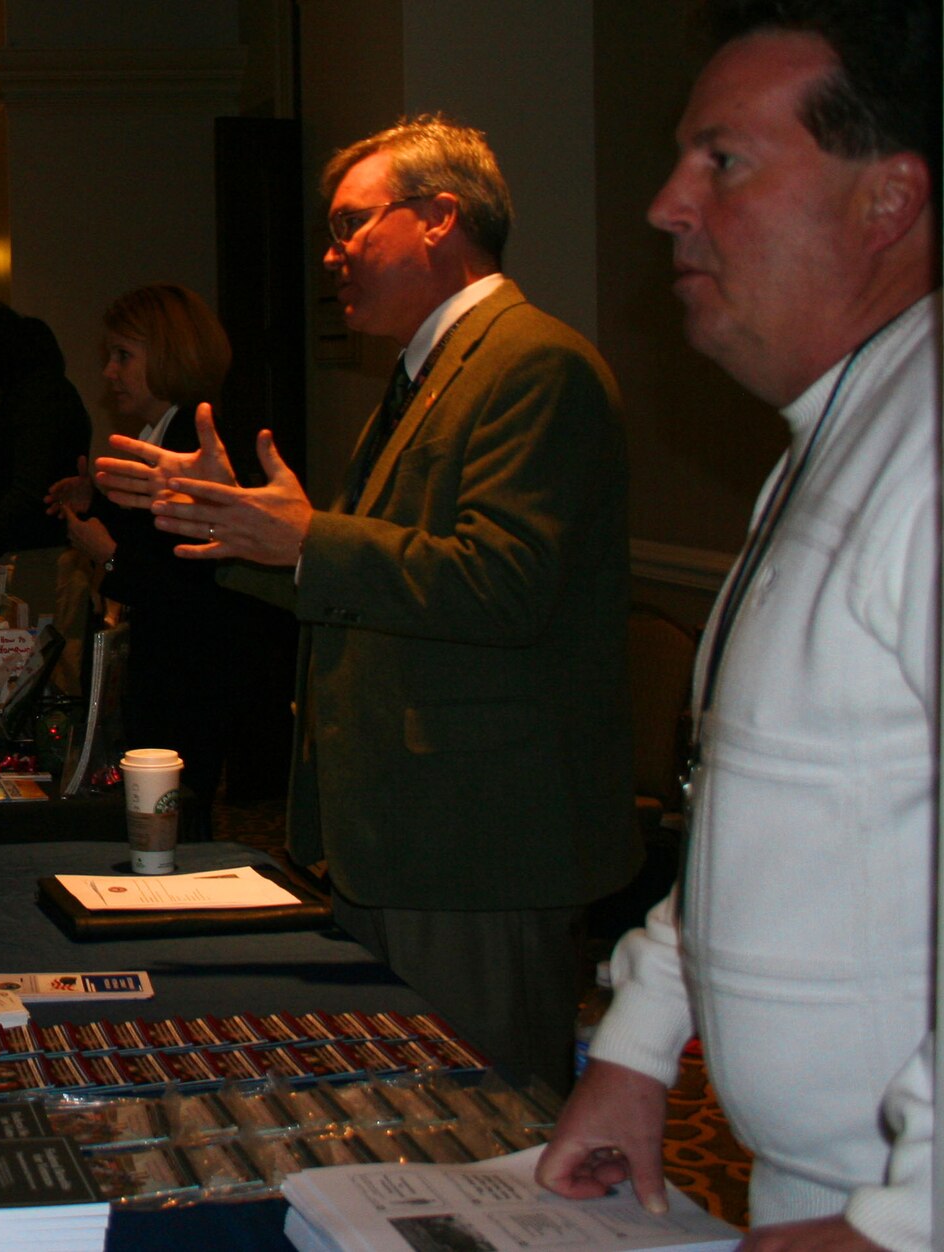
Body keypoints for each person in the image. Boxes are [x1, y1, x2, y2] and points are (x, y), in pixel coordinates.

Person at [97, 115, 637, 1091]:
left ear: (438, 218)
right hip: (405, 834)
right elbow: (368, 574)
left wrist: (306, 538)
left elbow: (503, 584)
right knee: (418, 1130)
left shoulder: (530, 364)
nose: (330, 254)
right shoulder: (429, 374)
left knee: (486, 1151)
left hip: (474, 847)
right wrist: (230, 529)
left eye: (351, 225)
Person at [538, 4, 940, 1248]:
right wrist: (642, 1040)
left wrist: (906, 1217)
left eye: (722, 160)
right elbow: (763, 812)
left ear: (886, 201)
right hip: (809, 1192)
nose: (664, 202)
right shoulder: (838, 434)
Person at [46, 283, 243, 838]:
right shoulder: (158, 435)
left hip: (185, 683)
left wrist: (103, 555)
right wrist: (95, 497)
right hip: (165, 677)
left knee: (173, 832)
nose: (109, 371)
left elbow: (188, 582)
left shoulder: (196, 445)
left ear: (170, 356)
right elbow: (149, 535)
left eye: (123, 356)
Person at [0, 297, 91, 618]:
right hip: (31, 554)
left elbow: (28, 492)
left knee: (31, 662)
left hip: (40, 558)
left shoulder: (39, 398)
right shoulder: (33, 393)